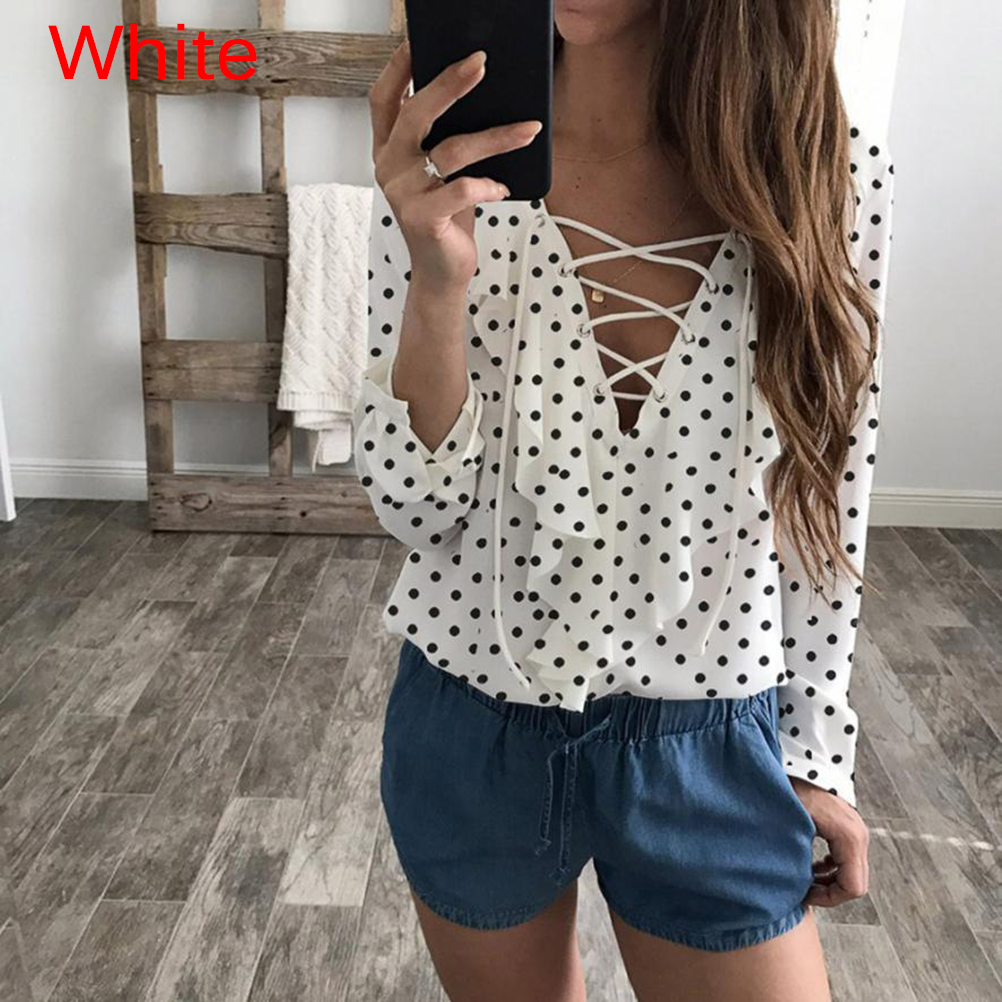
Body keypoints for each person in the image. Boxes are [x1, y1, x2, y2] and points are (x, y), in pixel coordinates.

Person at [355, 3, 894, 1000]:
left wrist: (817, 753)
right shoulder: (449, 159)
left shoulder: (823, 166)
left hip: (711, 744)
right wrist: (435, 283)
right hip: (472, 725)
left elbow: (827, 491)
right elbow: (412, 506)